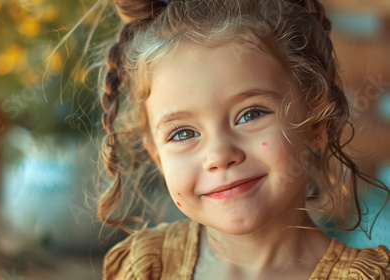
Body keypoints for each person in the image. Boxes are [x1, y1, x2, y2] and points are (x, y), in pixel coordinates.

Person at [89, 0, 390, 279]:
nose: (219, 155)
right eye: (183, 133)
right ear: (157, 157)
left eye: (250, 115)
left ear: (316, 121)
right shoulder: (148, 267)